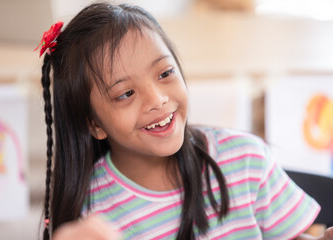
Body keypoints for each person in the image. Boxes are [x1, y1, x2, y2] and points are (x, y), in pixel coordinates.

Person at [36, 2, 333, 240]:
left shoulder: (245, 159)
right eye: (126, 93)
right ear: (94, 123)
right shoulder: (94, 215)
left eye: (165, 73)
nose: (157, 99)